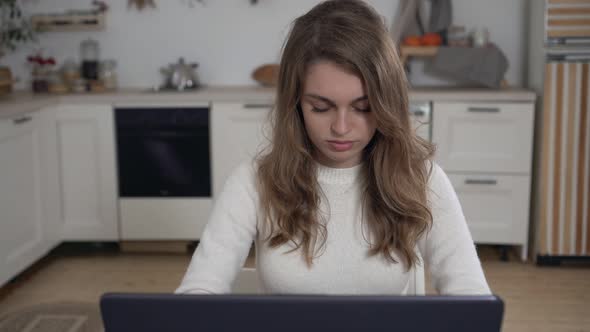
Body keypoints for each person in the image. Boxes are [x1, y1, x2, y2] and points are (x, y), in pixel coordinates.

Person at [176, 0, 490, 295]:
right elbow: (198, 291)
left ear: (386, 103)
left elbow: (471, 297)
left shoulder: (423, 179)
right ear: (295, 103)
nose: (341, 127)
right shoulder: (253, 183)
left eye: (363, 108)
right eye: (321, 107)